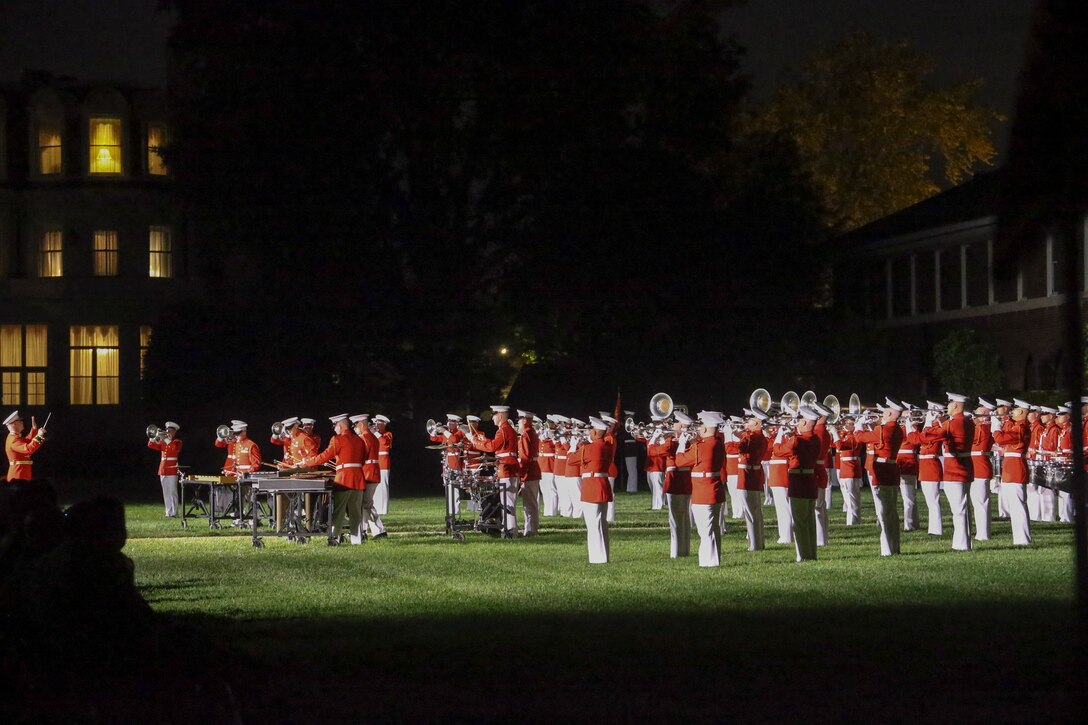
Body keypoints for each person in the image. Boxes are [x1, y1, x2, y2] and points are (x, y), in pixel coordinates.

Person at [847, 402, 905, 556]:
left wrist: (859, 424)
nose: (882, 413)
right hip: (891, 471)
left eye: (886, 411)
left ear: (891, 414)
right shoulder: (896, 429)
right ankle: (895, 547)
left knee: (884, 512)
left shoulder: (883, 429)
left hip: (882, 472)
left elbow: (859, 437)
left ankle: (887, 550)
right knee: (891, 512)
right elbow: (877, 441)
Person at [303, 414, 367, 545]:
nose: (334, 428)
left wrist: (306, 463)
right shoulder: (359, 439)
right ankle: (357, 539)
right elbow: (363, 458)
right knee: (355, 511)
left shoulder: (337, 439)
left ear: (341, 424)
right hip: (358, 477)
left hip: (344, 478)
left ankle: (334, 538)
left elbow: (325, 456)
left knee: (339, 510)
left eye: (335, 425)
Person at [675, 411, 726, 567]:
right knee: (713, 528)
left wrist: (682, 444)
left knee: (705, 530)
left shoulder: (701, 446)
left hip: (703, 492)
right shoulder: (717, 443)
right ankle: (714, 559)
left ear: (704, 429)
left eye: (700, 426)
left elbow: (679, 461)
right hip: (714, 490)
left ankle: (708, 562)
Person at [925, 392, 974, 551]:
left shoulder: (953, 423)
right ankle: (964, 542)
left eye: (949, 404)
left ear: (956, 405)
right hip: (965, 467)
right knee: (964, 508)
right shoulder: (967, 422)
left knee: (958, 509)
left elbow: (931, 437)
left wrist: (926, 425)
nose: (947, 407)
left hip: (955, 469)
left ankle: (961, 544)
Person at [777, 406, 821, 562]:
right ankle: (811, 554)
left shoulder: (796, 440)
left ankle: (803, 556)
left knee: (799, 523)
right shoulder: (815, 439)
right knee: (809, 523)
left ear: (803, 422)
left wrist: (780, 435)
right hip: (810, 482)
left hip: (798, 483)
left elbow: (778, 451)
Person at [471, 405, 519, 536]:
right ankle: (509, 529)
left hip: (507, 468)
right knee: (507, 501)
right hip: (509, 467)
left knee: (507, 502)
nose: (492, 418)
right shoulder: (507, 430)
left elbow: (493, 447)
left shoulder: (503, 430)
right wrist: (484, 440)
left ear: (501, 416)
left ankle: (511, 531)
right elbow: (498, 445)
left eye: (494, 415)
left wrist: (475, 442)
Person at [571, 417, 614, 563]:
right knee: (601, 523)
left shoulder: (589, 448)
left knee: (593, 524)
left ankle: (597, 558)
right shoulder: (607, 447)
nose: (588, 432)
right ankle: (603, 556)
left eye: (590, 429)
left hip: (591, 487)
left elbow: (571, 461)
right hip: (602, 485)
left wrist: (573, 446)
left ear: (595, 431)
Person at [992, 401, 1031, 545]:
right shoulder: (1016, 426)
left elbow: (1000, 438)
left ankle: (1023, 539)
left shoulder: (1021, 427)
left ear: (1021, 412)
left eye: (1014, 410)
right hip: (1010, 468)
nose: (1012, 412)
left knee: (1018, 506)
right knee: (1014, 506)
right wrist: (1003, 419)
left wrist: (995, 425)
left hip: (1015, 468)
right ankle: (1019, 538)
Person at [736, 410, 768, 551]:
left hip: (747, 475)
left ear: (756, 423)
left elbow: (741, 449)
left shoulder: (753, 438)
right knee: (755, 511)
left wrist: (732, 436)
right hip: (753, 474)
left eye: (749, 421)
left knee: (750, 512)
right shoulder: (757, 437)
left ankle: (754, 544)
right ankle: (758, 542)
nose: (746, 423)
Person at [663, 413, 692, 558]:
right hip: (685, 480)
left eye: (674, 423)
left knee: (675, 518)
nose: (671, 426)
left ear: (680, 426)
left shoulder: (674, 442)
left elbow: (659, 451)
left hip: (675, 480)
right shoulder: (690, 441)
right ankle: (684, 549)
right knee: (684, 517)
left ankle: (676, 552)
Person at [355, 414, 387, 538]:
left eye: (356, 425)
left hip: (367, 472)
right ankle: (372, 530)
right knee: (366, 504)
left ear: (362, 424)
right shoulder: (372, 436)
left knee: (364, 503)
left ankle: (373, 531)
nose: (355, 428)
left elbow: (361, 456)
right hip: (372, 472)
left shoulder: (364, 438)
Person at [970, 398, 996, 541]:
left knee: (981, 502)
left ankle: (983, 534)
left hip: (980, 466)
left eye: (978, 412)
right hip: (977, 466)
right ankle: (981, 532)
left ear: (986, 413)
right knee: (978, 502)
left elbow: (974, 439)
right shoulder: (982, 426)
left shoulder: (984, 427)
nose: (975, 415)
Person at [147, 422, 182, 517]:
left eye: (170, 431)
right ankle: (168, 512)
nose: (167, 432)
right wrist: (153, 436)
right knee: (166, 492)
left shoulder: (177, 442)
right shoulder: (163, 441)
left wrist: (165, 438)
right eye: (167, 431)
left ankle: (175, 512)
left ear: (174, 432)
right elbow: (151, 445)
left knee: (172, 492)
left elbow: (173, 449)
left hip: (172, 469)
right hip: (163, 469)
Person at [767, 419, 793, 545]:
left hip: (781, 475)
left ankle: (786, 536)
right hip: (777, 475)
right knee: (782, 508)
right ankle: (785, 535)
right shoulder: (783, 436)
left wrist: (780, 434)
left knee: (783, 508)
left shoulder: (788, 438)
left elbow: (777, 450)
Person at [834, 414, 863, 525]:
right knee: (849, 496)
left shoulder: (854, 436)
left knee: (851, 498)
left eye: (851, 424)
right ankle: (853, 520)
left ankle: (853, 521)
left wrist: (834, 432)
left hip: (850, 468)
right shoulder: (847, 435)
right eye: (847, 423)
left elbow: (840, 446)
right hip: (846, 468)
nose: (848, 425)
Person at [516, 410, 542, 536]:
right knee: (531, 502)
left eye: (520, 420)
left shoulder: (526, 434)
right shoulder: (531, 432)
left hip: (529, 471)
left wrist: (520, 473)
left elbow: (525, 457)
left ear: (524, 420)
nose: (518, 423)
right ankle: (531, 527)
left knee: (530, 503)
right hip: (533, 470)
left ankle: (531, 529)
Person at [896, 403, 921, 531]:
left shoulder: (910, 428)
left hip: (907, 464)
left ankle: (909, 525)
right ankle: (914, 523)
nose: (903, 420)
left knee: (908, 498)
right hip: (903, 463)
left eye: (906, 417)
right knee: (910, 497)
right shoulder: (907, 428)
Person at [4, 410, 47, 483]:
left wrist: (34, 430)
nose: (22, 422)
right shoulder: (13, 440)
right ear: (14, 424)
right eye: (20, 421)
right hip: (18, 475)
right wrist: (39, 436)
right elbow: (29, 449)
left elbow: (26, 441)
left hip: (21, 473)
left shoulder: (14, 437)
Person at [373, 414, 393, 516]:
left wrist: (375, 433)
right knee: (375, 487)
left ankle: (383, 509)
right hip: (374, 462)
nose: (375, 424)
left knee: (383, 486)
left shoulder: (388, 434)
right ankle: (376, 507)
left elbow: (384, 443)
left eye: (378, 422)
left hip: (383, 462)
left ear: (384, 424)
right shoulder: (376, 434)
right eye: (375, 422)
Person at [538, 417, 558, 517]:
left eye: (550, 424)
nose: (548, 426)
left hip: (550, 466)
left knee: (551, 489)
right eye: (547, 424)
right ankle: (547, 510)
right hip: (542, 466)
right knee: (544, 490)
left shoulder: (555, 437)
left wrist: (552, 436)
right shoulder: (543, 438)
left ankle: (553, 510)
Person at [622, 409, 640, 493]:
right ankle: (630, 488)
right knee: (630, 469)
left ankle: (632, 488)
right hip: (628, 447)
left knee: (632, 469)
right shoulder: (627, 427)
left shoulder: (632, 427)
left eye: (628, 417)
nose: (626, 419)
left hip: (631, 447)